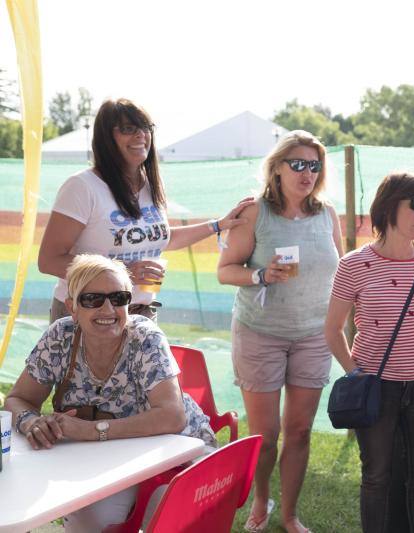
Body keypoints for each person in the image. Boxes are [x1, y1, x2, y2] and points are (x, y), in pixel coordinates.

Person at [4, 254, 216, 532]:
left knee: (166, 512)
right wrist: (31, 422)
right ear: (72, 307)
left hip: (179, 450)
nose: (108, 309)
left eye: (119, 298)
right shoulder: (60, 336)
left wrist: (90, 430)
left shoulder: (144, 336)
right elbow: (18, 399)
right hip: (110, 456)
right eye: (92, 299)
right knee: (91, 519)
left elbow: (172, 417)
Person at [324, 172, 414, 533]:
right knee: (375, 475)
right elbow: (332, 330)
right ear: (390, 206)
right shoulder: (354, 265)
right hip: (377, 386)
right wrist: (355, 372)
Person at [217, 130, 343, 533]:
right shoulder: (256, 212)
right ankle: (260, 498)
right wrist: (260, 274)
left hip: (312, 335)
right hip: (260, 333)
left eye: (314, 165)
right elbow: (224, 270)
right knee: (266, 435)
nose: (307, 172)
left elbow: (339, 273)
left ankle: (289, 514)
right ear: (277, 167)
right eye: (298, 164)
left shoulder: (328, 214)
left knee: (300, 430)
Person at [38, 97, 253, 323]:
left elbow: (159, 238)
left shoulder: (151, 186)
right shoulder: (82, 187)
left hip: (140, 313)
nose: (141, 135)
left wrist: (218, 225)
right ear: (106, 138)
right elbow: (49, 260)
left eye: (145, 127)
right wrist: (120, 273)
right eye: (128, 128)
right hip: (87, 314)